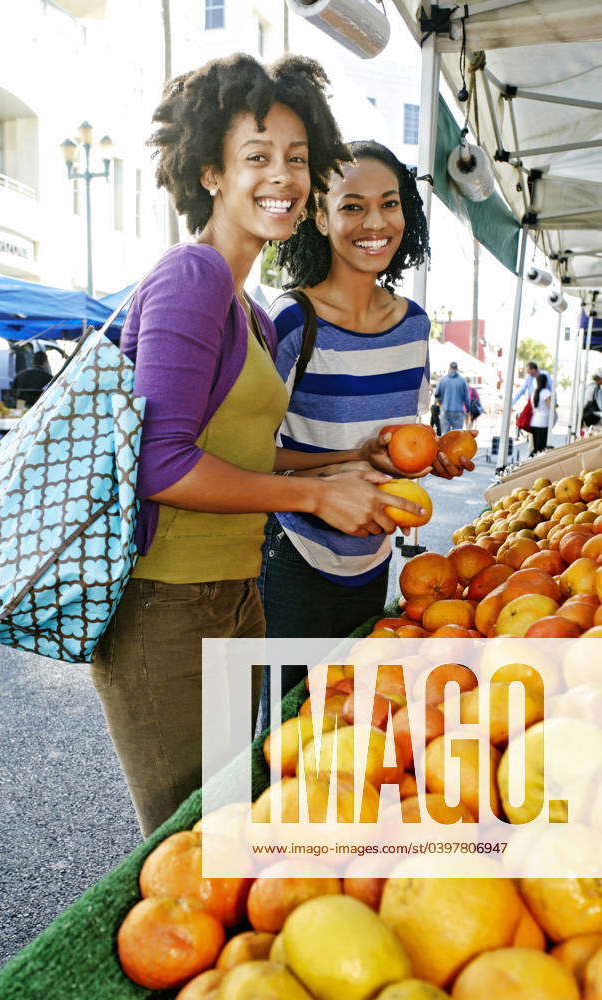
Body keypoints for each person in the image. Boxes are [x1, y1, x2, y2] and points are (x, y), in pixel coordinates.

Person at [90, 56, 423, 838]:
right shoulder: (191, 279)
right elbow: (159, 462)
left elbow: (247, 456)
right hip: (163, 607)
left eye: (297, 159)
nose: (283, 176)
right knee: (189, 846)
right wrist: (314, 497)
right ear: (209, 170)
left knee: (241, 825)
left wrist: (345, 467)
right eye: (257, 156)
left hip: (236, 595)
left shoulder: (245, 307)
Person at [258, 140, 474, 676]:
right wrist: (344, 461)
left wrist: (431, 458)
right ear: (320, 217)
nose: (374, 221)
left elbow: (399, 444)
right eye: (352, 205)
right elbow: (249, 458)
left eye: (390, 202)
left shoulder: (414, 326)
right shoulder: (292, 321)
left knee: (352, 710)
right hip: (295, 555)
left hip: (375, 559)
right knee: (289, 727)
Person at [434, 361, 470, 433]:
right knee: (457, 435)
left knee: (445, 436)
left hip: (445, 410)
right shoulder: (462, 381)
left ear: (449, 368)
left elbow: (437, 395)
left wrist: (438, 405)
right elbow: (466, 398)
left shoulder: (443, 380)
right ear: (456, 369)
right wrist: (468, 409)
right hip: (458, 411)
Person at [528, 372, 552, 455]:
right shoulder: (546, 392)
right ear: (545, 382)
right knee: (541, 450)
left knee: (535, 449)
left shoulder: (534, 393)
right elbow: (551, 406)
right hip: (543, 423)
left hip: (534, 422)